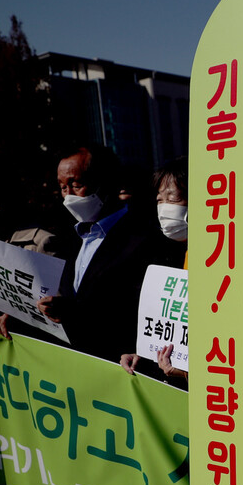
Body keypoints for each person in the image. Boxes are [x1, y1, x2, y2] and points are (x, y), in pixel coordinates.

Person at [37, 145, 180, 361]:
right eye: (62, 187)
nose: (68, 196)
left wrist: (71, 313)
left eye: (76, 185)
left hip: (119, 367)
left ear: (107, 182)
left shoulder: (145, 238)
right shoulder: (72, 236)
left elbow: (140, 314)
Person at [120, 157, 189, 386]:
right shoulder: (177, 255)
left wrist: (187, 373)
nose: (164, 207)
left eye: (172, 197)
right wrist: (145, 353)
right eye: (160, 199)